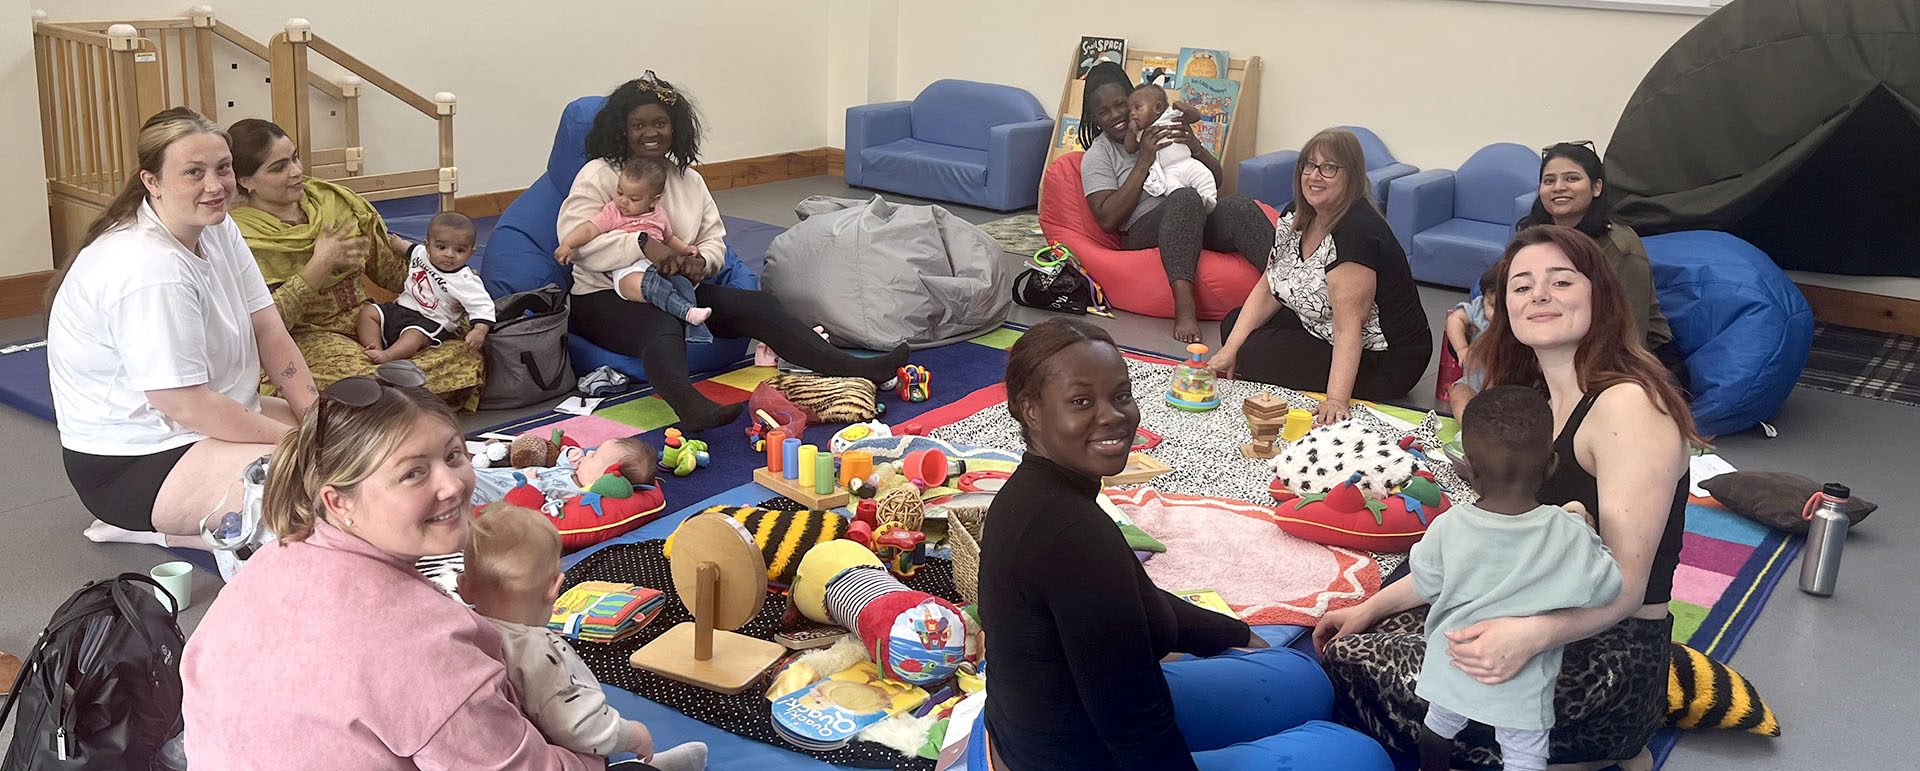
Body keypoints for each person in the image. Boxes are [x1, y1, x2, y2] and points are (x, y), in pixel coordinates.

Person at [1315, 225, 1698, 771]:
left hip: (1609, 655)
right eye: (1521, 286)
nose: (1538, 294)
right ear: (1503, 308)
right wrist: (1368, 608)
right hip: (1532, 605)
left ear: (1601, 296)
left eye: (1560, 281)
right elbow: (1482, 554)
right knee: (1391, 601)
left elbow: (1627, 588)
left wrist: (1527, 636)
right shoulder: (1537, 398)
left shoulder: (1628, 407)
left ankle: (1608, 747)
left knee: (1360, 665)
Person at [183, 376, 667, 769]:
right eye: (414, 473)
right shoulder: (422, 646)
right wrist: (594, 754)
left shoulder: (277, 557)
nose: (453, 483)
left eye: (454, 455)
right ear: (339, 501)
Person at [975, 317, 1392, 771]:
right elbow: (1133, 724)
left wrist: (1232, 634)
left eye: (1121, 395)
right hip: (1083, 753)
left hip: (1032, 730)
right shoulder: (1076, 536)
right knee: (1359, 755)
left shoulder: (1031, 497)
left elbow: (1133, 604)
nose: (1113, 415)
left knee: (1304, 678)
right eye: (1081, 401)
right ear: (1030, 409)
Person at [560, 72, 907, 432]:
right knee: (661, 323)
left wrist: (700, 263)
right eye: (639, 125)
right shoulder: (598, 175)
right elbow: (577, 243)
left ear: (675, 128)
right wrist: (644, 246)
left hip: (678, 289)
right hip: (603, 296)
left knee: (758, 306)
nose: (651, 133)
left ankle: (856, 367)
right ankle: (690, 406)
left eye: (660, 123)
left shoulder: (688, 180)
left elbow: (713, 240)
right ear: (622, 130)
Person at [47, 107, 316, 548]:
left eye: (223, 169)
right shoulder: (149, 268)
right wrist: (304, 443)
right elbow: (185, 405)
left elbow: (269, 329)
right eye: (193, 172)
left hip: (200, 420)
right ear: (151, 182)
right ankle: (154, 528)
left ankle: (189, 523)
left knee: (354, 444)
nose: (214, 186)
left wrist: (315, 418)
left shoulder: (216, 223)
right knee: (325, 497)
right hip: (132, 462)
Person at [1410, 386, 1623, 771]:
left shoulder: (1448, 525)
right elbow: (1609, 586)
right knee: (1524, 755)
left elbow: (1426, 583)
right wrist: (1583, 525)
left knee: (1438, 725)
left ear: (1469, 469)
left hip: (1450, 665)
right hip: (1520, 686)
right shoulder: (1566, 532)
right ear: (1552, 465)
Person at [228, 118, 485, 411]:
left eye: (295, 158)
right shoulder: (239, 239)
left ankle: (384, 406)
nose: (297, 171)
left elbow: (391, 272)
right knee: (362, 380)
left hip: (374, 325)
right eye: (279, 167)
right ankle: (394, 402)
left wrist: (445, 287)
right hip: (309, 341)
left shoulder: (337, 205)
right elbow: (264, 329)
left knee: (467, 348)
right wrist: (319, 266)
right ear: (246, 181)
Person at [1208, 128, 1432, 426]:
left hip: (1383, 358)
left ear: (1350, 176)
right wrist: (1227, 351)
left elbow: (1349, 325)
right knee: (1234, 326)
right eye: (1309, 165)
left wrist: (1336, 400)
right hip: (1323, 325)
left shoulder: (1357, 233)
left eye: (1328, 168)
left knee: (1254, 351)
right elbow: (1269, 285)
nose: (1315, 176)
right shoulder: (1298, 214)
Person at [459, 504, 708, 770]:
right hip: (558, 757)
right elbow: (577, 724)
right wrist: (631, 734)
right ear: (554, 588)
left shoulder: (460, 631)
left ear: (464, 588)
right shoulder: (536, 651)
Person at [1075, 61, 1274, 343]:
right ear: (1095, 118)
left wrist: (1195, 147)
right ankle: (1185, 307)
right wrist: (1143, 161)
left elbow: (1215, 179)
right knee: (1184, 197)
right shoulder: (1099, 155)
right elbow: (1107, 220)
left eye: (1122, 104)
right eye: (1104, 112)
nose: (1117, 115)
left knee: (1238, 205)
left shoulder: (1163, 123)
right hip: (1143, 232)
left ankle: (1292, 288)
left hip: (1193, 216)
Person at [1518, 141, 1684, 387]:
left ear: (1596, 188)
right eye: (1549, 180)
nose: (1559, 188)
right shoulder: (1532, 236)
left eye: (1572, 178)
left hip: (1624, 357)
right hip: (1555, 345)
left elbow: (1628, 334)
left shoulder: (1621, 249)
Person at [555, 156, 713, 343]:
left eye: (633, 198)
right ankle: (687, 312)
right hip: (627, 268)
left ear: (653, 201)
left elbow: (669, 238)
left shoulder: (659, 215)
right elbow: (589, 229)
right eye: (619, 192)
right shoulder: (613, 212)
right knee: (650, 285)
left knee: (683, 285)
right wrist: (568, 244)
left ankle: (696, 330)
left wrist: (686, 249)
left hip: (656, 266)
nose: (623, 201)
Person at [356, 211, 495, 364]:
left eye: (460, 250)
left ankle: (387, 357)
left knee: (414, 335)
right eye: (441, 247)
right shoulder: (422, 254)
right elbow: (409, 249)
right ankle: (374, 347)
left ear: (471, 253)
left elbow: (483, 306)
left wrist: (479, 331)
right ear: (428, 246)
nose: (449, 254)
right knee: (368, 312)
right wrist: (396, 243)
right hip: (401, 309)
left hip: (431, 320)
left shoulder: (466, 281)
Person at [471, 437, 656, 506]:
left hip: (495, 494)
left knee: (469, 482)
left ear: (602, 479)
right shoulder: (576, 475)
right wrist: (568, 455)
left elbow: (540, 505)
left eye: (594, 456)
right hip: (497, 476)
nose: (588, 452)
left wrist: (531, 484)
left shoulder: (573, 496)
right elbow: (557, 469)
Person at [1121, 84, 1216, 209]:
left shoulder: (1171, 115)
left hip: (1188, 162)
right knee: (1172, 190)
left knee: (1204, 175)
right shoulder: (1142, 131)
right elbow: (1130, 148)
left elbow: (1195, 117)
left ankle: (1207, 200)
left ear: (1158, 108)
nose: (1132, 114)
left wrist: (1185, 108)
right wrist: (1131, 132)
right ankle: (1190, 205)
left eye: (1138, 108)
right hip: (1167, 171)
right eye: (1130, 111)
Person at [1442, 263, 1505, 414]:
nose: (1498, 315)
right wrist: (1462, 348)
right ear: (1483, 299)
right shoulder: (1478, 311)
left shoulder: (1519, 323)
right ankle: (1468, 429)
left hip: (1508, 389)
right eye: (1492, 306)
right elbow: (1455, 319)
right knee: (1459, 395)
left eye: (1504, 308)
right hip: (1474, 383)